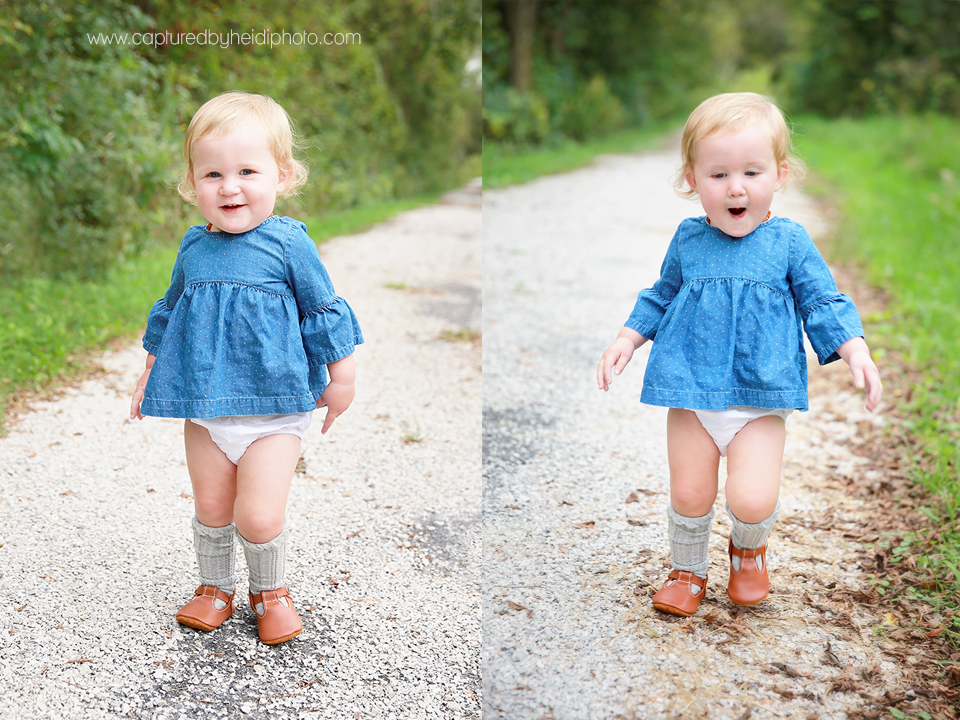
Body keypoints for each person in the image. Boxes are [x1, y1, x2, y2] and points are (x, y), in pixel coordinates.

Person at [596, 92, 882, 617]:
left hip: (760, 394)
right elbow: (662, 294)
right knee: (689, 492)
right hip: (690, 389)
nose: (736, 187)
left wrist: (854, 346)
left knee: (751, 498)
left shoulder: (789, 241)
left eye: (751, 172)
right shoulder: (689, 238)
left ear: (780, 174)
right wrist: (627, 338)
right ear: (692, 179)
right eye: (718, 174)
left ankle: (748, 553)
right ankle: (686, 571)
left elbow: (821, 300)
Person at [129, 92, 363, 644]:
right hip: (205, 406)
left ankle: (270, 591)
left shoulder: (288, 245)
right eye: (213, 173)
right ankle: (214, 588)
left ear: (281, 176)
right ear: (193, 183)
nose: (229, 186)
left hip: (275, 408)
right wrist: (149, 373)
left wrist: (342, 377)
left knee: (257, 516)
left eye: (247, 171)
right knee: (212, 506)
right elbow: (170, 314)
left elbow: (322, 309)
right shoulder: (193, 249)